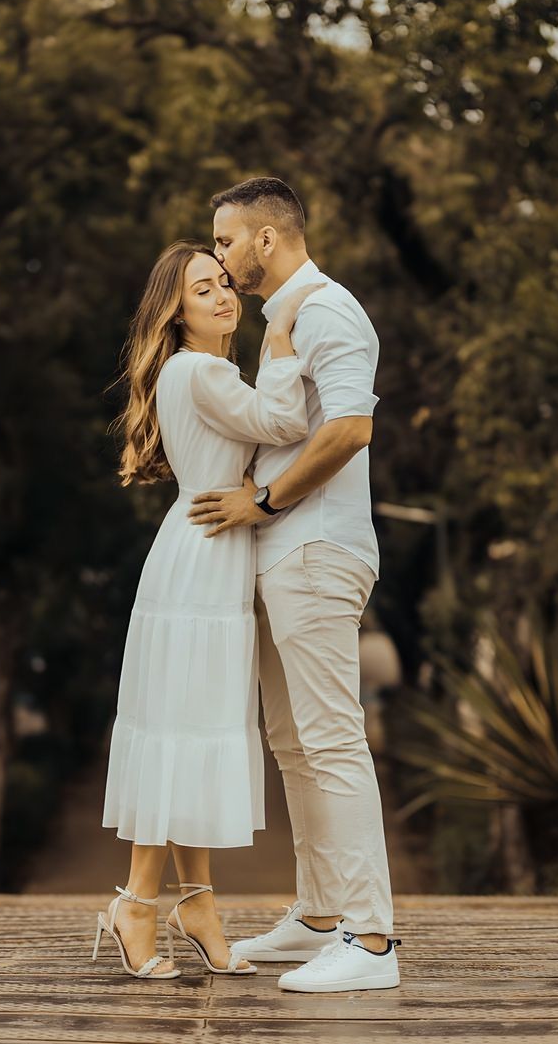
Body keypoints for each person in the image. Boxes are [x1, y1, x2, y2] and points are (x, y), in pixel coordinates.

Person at [188, 177, 402, 994]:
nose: (219, 254)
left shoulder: (325, 310)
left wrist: (265, 498)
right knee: (292, 741)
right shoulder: (282, 319)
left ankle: (372, 940)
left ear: (266, 240)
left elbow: (350, 427)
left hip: (314, 549)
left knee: (332, 737)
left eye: (225, 240)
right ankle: (317, 915)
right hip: (280, 553)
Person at [94, 239, 321, 979]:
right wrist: (283, 341)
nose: (224, 295)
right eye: (203, 288)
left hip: (204, 555)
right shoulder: (202, 370)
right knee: (182, 730)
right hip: (201, 563)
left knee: (189, 730)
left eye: (225, 283)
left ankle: (197, 900)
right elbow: (284, 421)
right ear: (178, 310)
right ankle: (135, 901)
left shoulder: (195, 370)